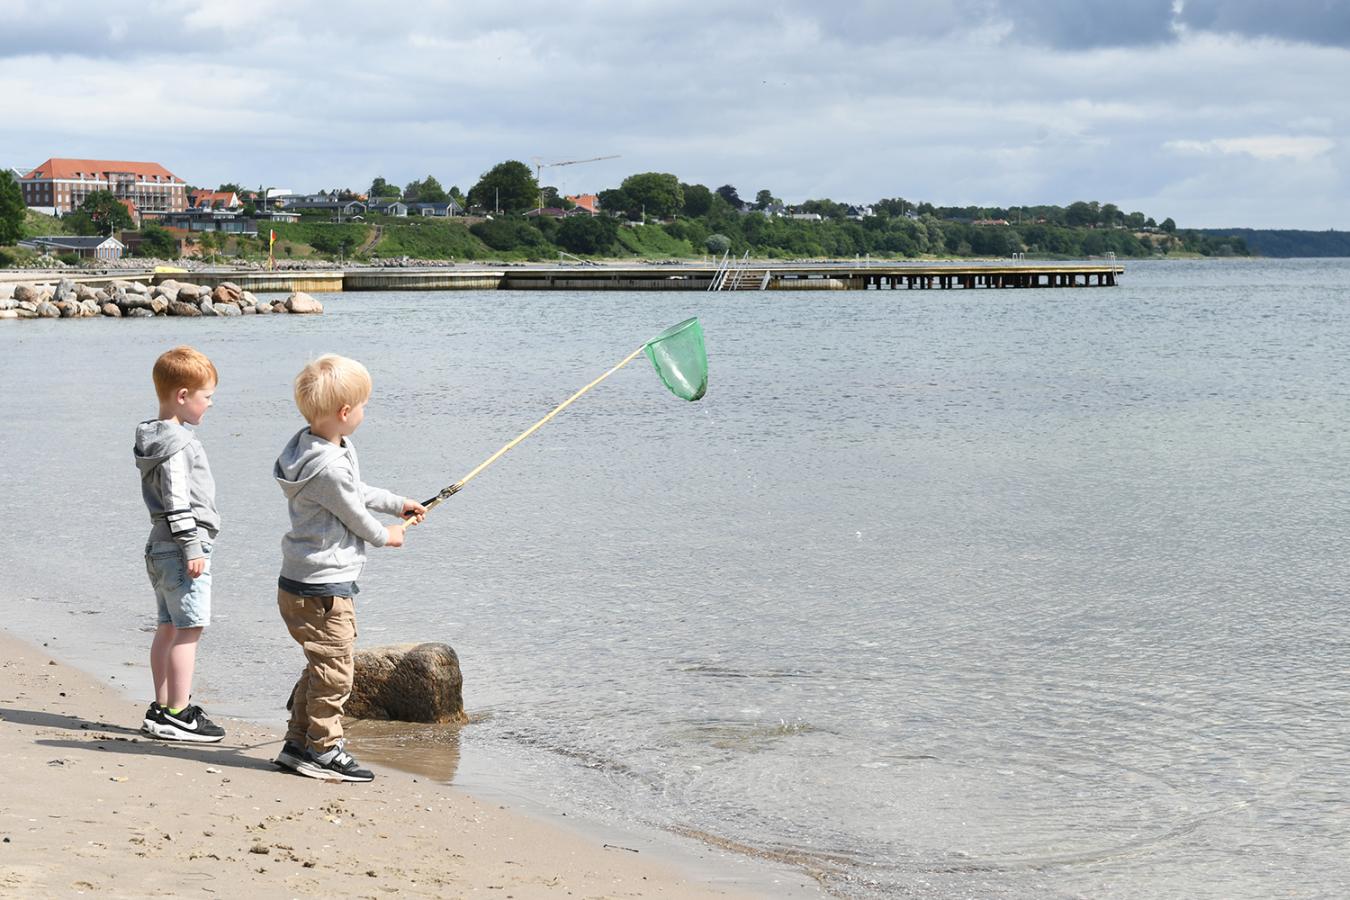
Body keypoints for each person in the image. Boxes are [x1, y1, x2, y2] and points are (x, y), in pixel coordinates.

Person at [272, 354, 425, 782]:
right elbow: (355, 515)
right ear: (345, 412)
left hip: (302, 581)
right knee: (337, 672)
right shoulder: (330, 467)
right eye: (363, 404)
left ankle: (298, 743)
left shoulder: (316, 445)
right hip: (322, 588)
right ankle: (324, 749)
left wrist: (398, 503)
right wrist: (387, 535)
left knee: (319, 665)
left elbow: (355, 491)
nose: (365, 411)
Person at [134, 346, 226, 742]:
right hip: (180, 547)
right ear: (183, 396)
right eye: (207, 397)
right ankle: (178, 711)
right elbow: (177, 500)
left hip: (159, 546)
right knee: (190, 628)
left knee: (168, 627)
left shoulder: (153, 438)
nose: (209, 405)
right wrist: (192, 546)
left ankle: (161, 707)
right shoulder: (177, 445)